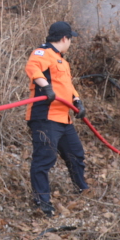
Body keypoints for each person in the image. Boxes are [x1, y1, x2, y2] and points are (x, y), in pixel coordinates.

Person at [24, 21, 90, 218]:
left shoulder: (62, 60)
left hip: (64, 118)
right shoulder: (43, 53)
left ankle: (82, 190)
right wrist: (46, 87)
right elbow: (32, 68)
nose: (70, 43)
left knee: (76, 154)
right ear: (64, 38)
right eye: (70, 39)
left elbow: (66, 86)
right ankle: (42, 202)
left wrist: (77, 100)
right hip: (45, 117)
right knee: (45, 158)